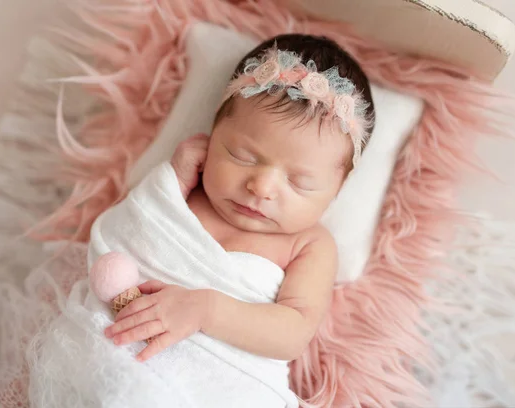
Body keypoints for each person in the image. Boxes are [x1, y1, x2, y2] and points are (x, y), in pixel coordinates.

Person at [104, 33, 375, 363]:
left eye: (300, 182)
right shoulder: (186, 194)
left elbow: (291, 336)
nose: (261, 188)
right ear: (213, 135)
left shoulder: (309, 245)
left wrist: (206, 310)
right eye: (242, 156)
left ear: (336, 192)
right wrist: (170, 182)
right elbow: (118, 237)